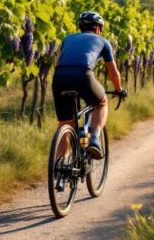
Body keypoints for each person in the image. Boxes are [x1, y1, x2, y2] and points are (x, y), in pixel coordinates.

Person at [52, 11, 126, 159]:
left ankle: (59, 172)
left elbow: (56, 64)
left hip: (59, 77)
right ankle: (94, 139)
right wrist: (119, 90)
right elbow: (113, 73)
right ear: (98, 28)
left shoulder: (67, 39)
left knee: (66, 122)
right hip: (83, 75)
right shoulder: (103, 41)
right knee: (101, 102)